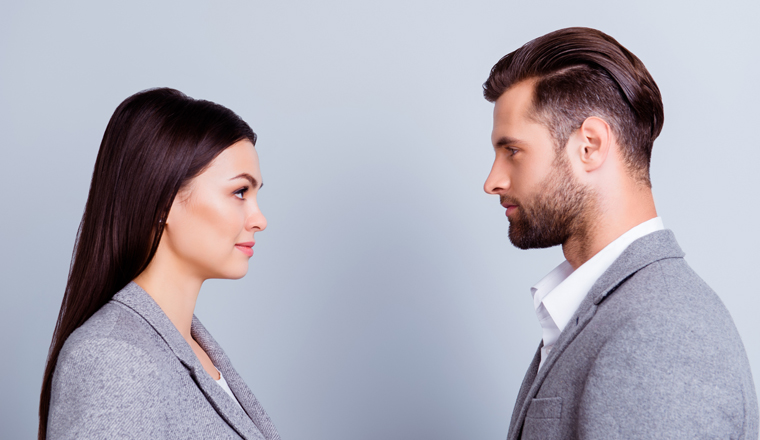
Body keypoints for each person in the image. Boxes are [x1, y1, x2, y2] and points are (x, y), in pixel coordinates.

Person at [482, 27, 758, 439]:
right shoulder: (610, 311)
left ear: (589, 146)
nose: (492, 181)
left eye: (513, 151)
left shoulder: (660, 335)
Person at [39, 88, 281, 440]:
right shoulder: (114, 359)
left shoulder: (190, 347)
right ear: (164, 202)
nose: (259, 219)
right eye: (240, 192)